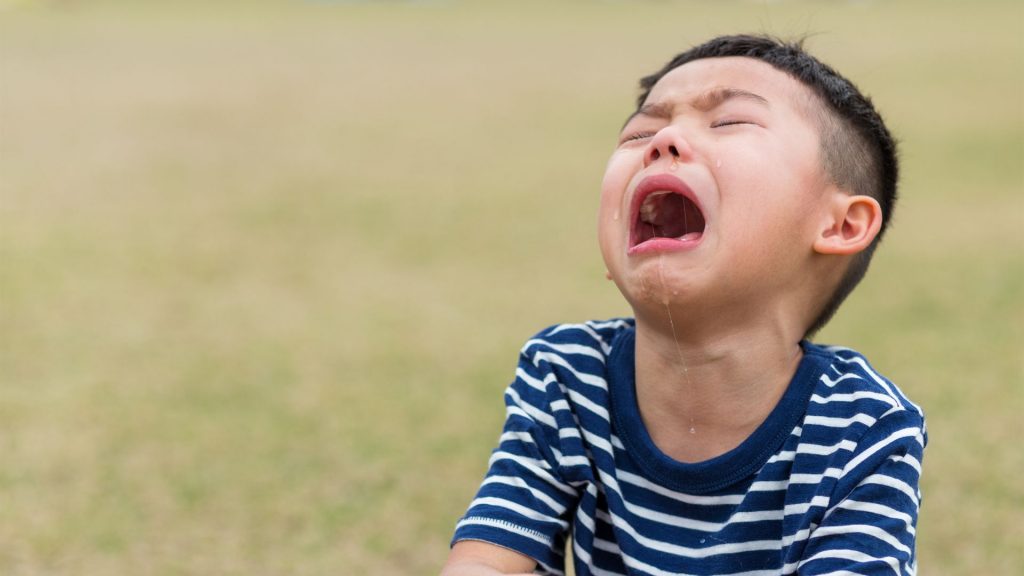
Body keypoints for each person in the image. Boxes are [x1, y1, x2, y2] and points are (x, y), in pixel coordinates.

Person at [441, 34, 926, 576]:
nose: (663, 140)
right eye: (640, 133)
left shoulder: (861, 425)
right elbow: (486, 560)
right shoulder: (568, 374)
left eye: (728, 122)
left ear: (840, 225)